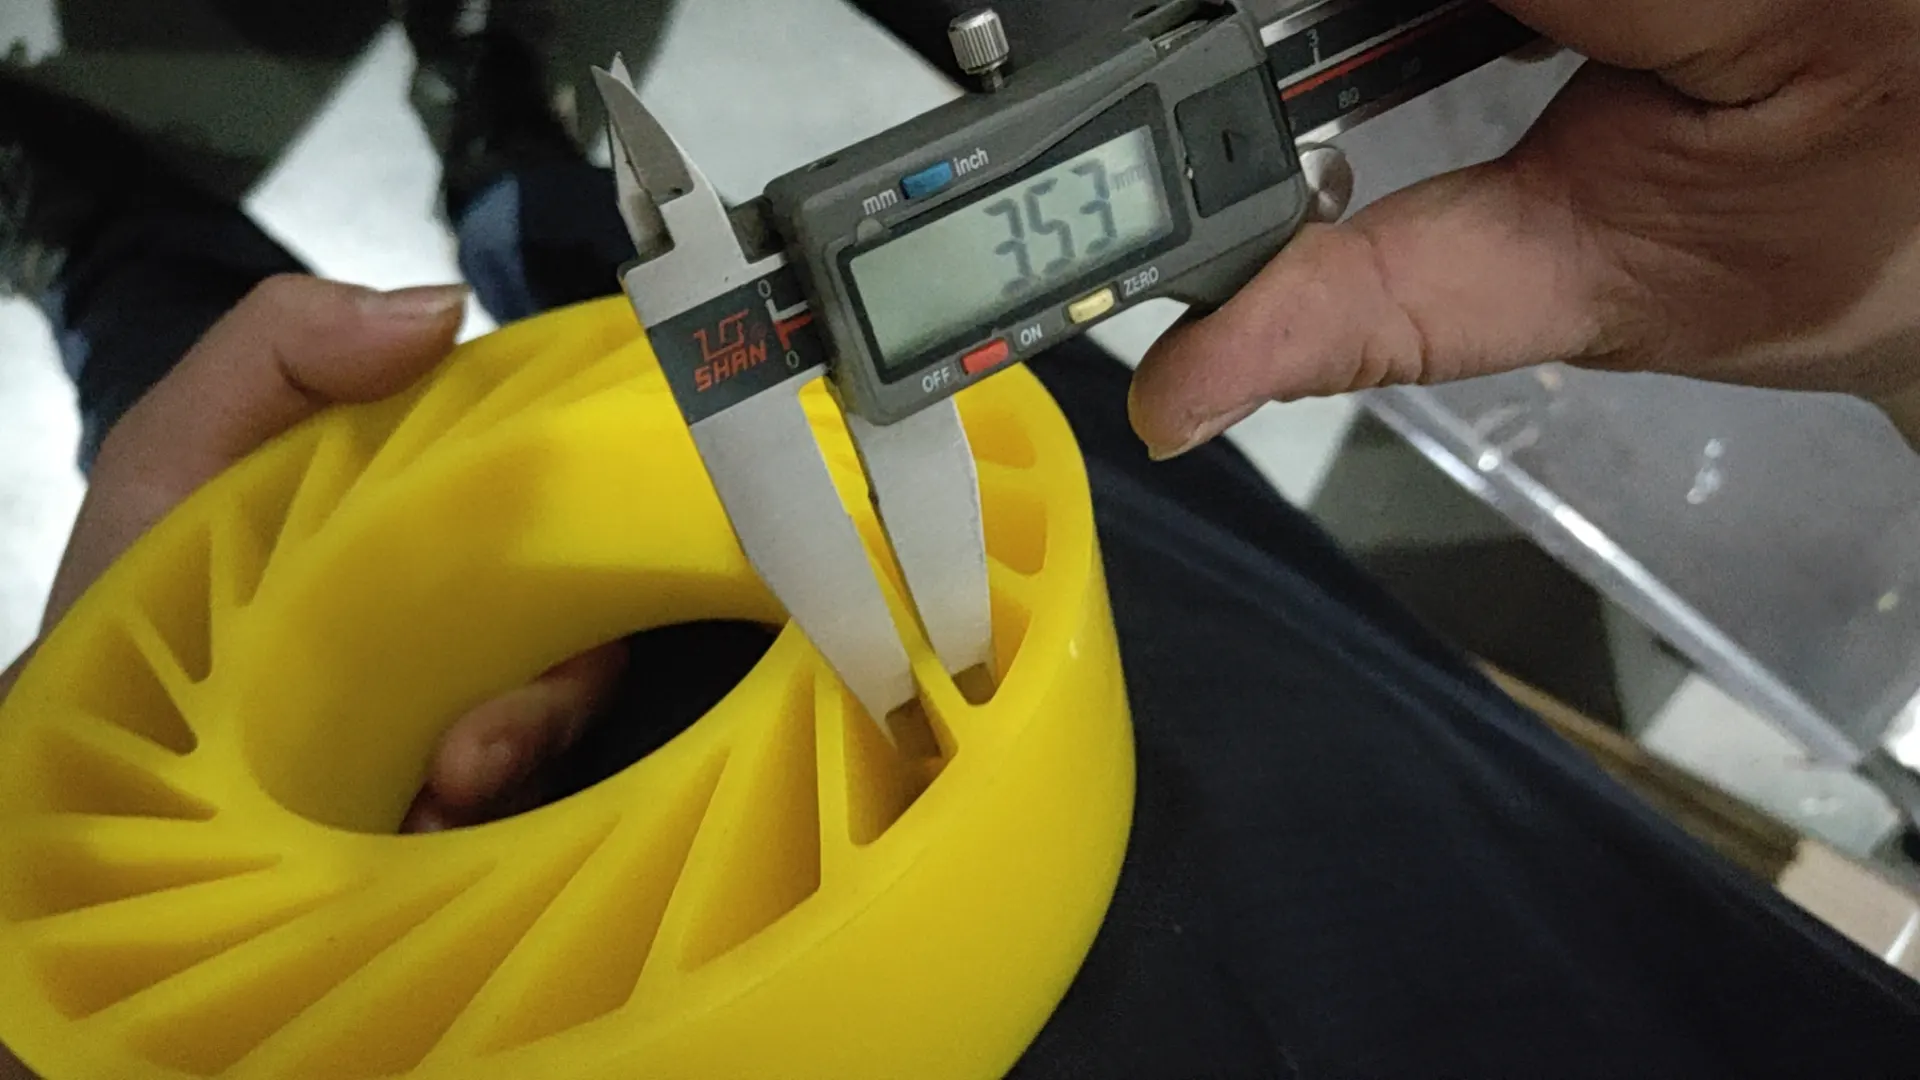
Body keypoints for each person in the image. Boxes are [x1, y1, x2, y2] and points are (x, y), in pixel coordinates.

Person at [4, 0, 1920, 1076]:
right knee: (599, 334)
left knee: (225, 385)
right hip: (1365, 819)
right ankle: (508, 140)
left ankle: (115, 237)